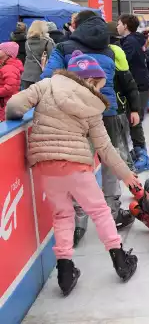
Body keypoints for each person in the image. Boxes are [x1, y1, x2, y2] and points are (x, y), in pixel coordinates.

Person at [6, 52, 141, 296]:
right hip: (76, 164)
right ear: (91, 80)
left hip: (44, 163)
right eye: (99, 84)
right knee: (99, 211)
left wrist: (15, 121)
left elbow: (14, 105)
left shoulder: (46, 85)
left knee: (62, 215)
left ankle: (65, 272)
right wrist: (126, 175)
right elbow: (104, 148)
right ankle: (120, 259)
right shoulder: (91, 103)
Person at [42, 10, 136, 245]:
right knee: (111, 161)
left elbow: (47, 78)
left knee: (77, 167)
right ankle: (114, 212)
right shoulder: (109, 49)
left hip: (76, 116)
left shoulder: (63, 48)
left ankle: (78, 221)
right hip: (108, 111)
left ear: (76, 25)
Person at [117, 14, 149, 173]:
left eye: (119, 24)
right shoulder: (133, 40)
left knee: (135, 120)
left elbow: (125, 63)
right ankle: (139, 152)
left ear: (125, 26)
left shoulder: (130, 42)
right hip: (138, 84)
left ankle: (142, 156)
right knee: (134, 120)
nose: (117, 26)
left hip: (138, 85)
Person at [106, 21, 141, 174]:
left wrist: (134, 109)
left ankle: (134, 182)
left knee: (120, 146)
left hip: (117, 107)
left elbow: (129, 84)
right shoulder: (112, 49)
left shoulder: (115, 51)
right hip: (113, 107)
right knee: (119, 146)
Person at [22, 20, 54, 90]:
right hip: (41, 74)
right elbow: (52, 57)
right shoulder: (48, 41)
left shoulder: (27, 42)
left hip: (26, 73)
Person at [0, 42, 23, 121]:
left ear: (7, 53)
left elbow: (10, 88)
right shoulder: (3, 65)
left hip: (5, 104)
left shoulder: (9, 68)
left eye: (0, 49)